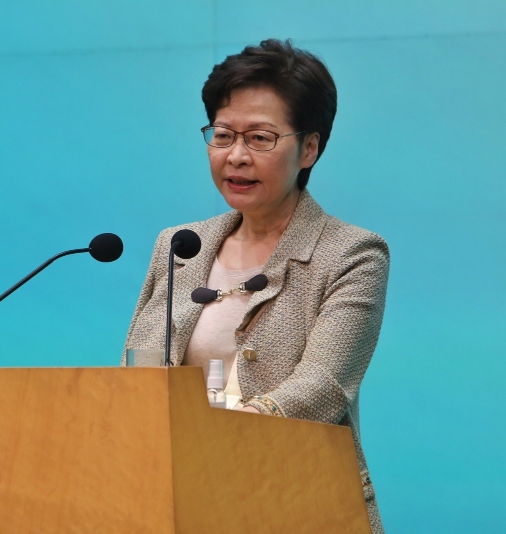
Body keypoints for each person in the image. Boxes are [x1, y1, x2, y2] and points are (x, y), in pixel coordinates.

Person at [122, 39, 389, 533]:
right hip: (179, 502)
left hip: (297, 503)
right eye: (223, 135)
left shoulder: (351, 254)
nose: (237, 156)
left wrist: (225, 432)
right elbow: (138, 372)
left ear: (309, 148)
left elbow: (324, 387)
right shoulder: (179, 246)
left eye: (260, 138)